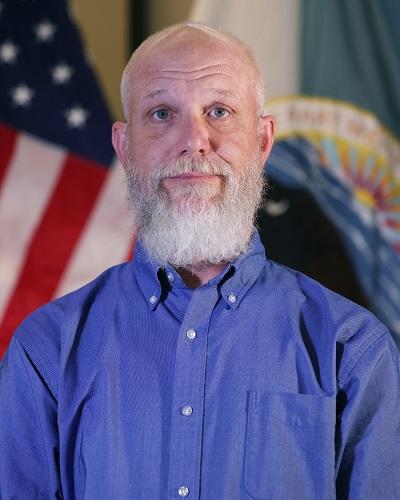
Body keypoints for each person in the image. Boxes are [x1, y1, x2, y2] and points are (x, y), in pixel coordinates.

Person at [0, 22, 399, 500]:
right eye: (162, 112)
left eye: (219, 111)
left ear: (263, 140)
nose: (195, 139)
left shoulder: (351, 349)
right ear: (125, 147)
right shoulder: (46, 351)